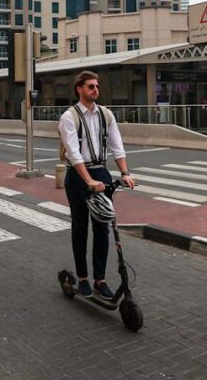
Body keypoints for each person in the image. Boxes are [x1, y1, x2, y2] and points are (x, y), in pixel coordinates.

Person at [58, 70, 136, 301]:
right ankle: (82, 277)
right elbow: (73, 153)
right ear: (79, 89)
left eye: (97, 86)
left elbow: (117, 147)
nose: (95, 90)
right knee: (80, 226)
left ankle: (100, 280)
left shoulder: (106, 115)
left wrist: (125, 173)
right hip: (78, 175)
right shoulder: (69, 117)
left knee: (102, 227)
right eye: (90, 86)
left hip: (101, 171)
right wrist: (88, 180)